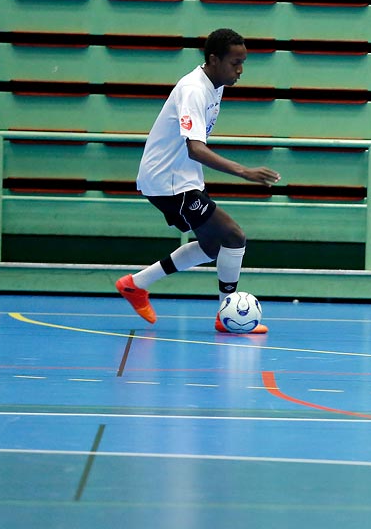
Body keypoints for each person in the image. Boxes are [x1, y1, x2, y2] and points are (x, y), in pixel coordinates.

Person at [115, 28, 281, 334]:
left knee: (211, 246)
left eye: (243, 62)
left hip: (183, 178)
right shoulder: (194, 89)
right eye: (235, 63)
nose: (240, 70)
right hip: (169, 181)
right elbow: (195, 148)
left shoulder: (215, 84)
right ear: (214, 60)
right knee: (233, 236)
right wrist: (244, 172)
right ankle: (225, 315)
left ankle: (134, 285)